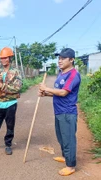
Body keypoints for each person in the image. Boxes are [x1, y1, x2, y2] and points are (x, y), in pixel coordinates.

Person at [39, 48, 81, 176]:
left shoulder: (73, 74)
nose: (60, 61)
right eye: (59, 58)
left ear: (71, 59)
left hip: (68, 112)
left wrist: (47, 88)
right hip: (58, 111)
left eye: (63, 58)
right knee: (61, 137)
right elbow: (57, 94)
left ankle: (71, 165)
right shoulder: (61, 74)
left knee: (68, 139)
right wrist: (46, 94)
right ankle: (65, 157)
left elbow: (63, 92)